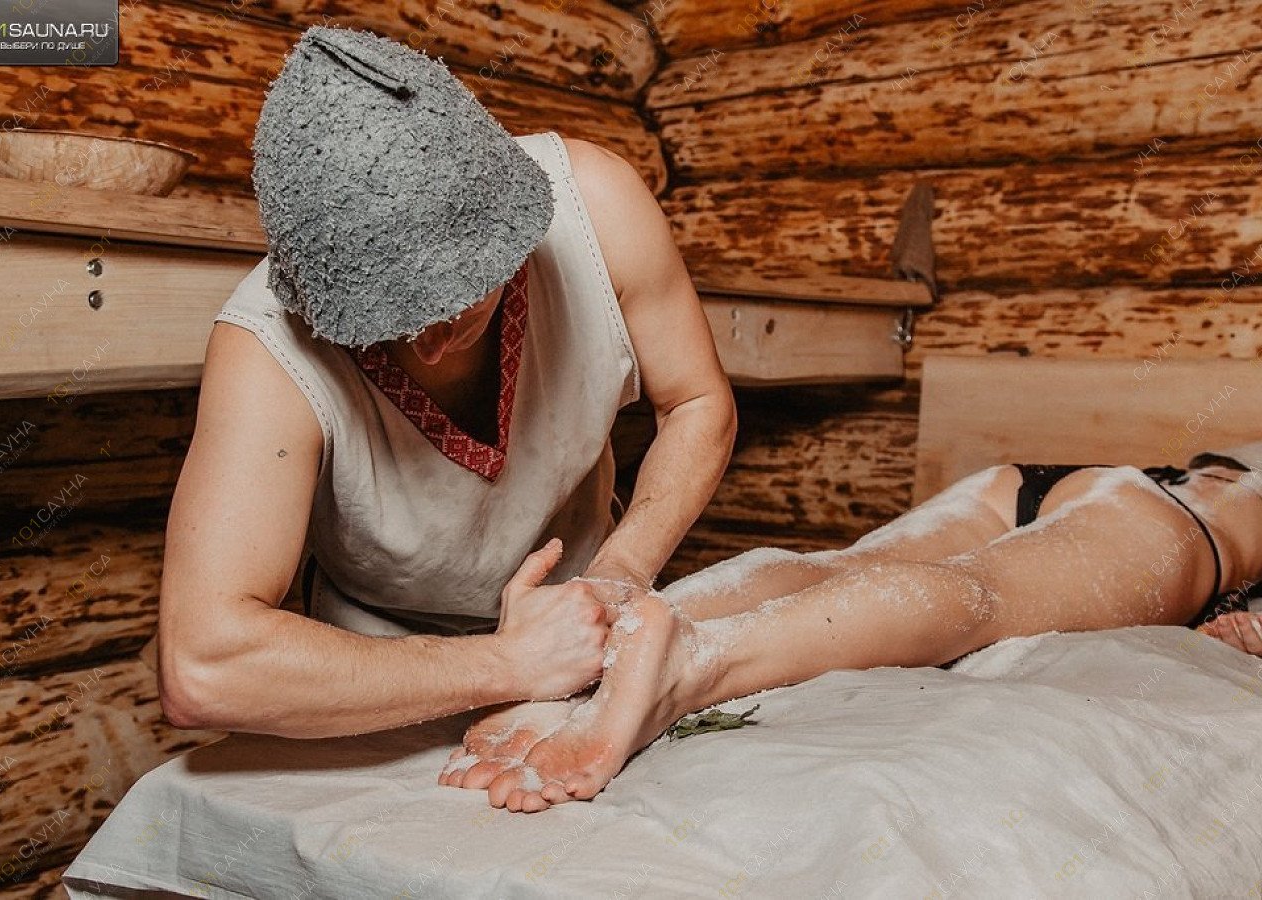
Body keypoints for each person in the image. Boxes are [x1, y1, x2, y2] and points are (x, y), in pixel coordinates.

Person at [156, 26, 735, 737]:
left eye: (456, 302)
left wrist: (617, 576)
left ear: (511, 231)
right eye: (385, 323)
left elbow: (697, 404)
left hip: (585, 627)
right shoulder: (264, 346)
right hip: (372, 679)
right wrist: (509, 663)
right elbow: (202, 666)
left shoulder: (599, 209)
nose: (427, 348)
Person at [440, 443, 1262, 812]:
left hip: (1036, 479)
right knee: (980, 596)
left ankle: (594, 654)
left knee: (839, 566)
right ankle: (692, 661)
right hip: (1179, 524)